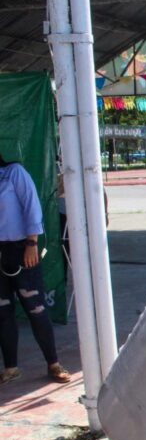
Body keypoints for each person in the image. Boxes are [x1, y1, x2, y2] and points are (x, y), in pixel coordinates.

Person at [0, 154, 71, 385]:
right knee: (3, 312)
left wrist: (31, 243)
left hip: (22, 249)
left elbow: (32, 206)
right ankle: (11, 368)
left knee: (36, 309)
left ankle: (53, 364)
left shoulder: (14, 173)